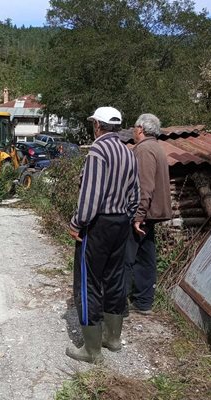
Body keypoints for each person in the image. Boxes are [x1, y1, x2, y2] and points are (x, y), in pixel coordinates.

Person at [66, 106, 140, 364]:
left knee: (88, 283)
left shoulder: (98, 150)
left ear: (98, 125)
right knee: (114, 279)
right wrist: (125, 218)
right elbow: (135, 197)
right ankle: (113, 338)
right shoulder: (129, 152)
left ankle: (91, 349)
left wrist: (77, 222)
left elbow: (91, 196)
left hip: (97, 224)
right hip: (121, 223)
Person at [125, 114, 172, 315]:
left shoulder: (144, 150)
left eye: (134, 127)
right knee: (146, 256)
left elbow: (145, 187)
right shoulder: (157, 148)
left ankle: (119, 305)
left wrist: (138, 216)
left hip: (143, 214)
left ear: (141, 129)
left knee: (127, 257)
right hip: (151, 214)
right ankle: (144, 302)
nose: (133, 131)